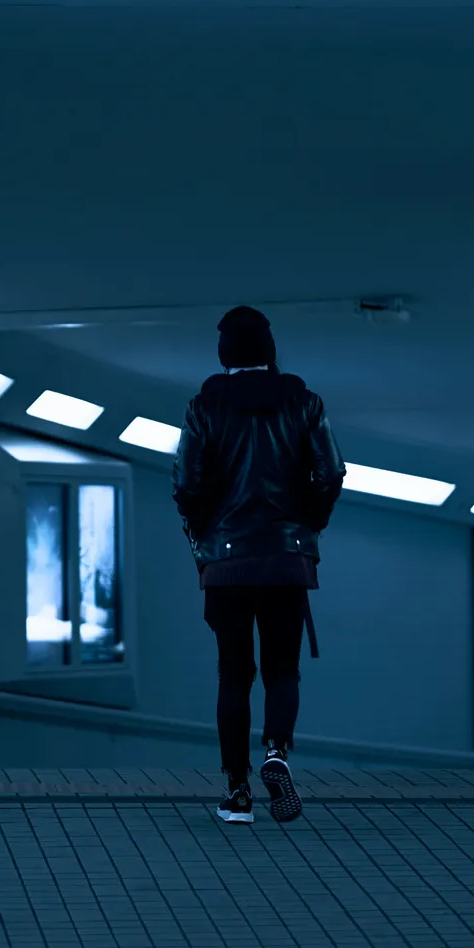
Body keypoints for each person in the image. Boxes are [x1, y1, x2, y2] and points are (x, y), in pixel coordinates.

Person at [174, 305, 345, 824]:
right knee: (282, 669)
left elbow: (187, 484)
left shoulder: (204, 408)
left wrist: (205, 528)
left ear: (224, 353)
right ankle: (276, 753)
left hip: (225, 566)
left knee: (234, 674)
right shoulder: (305, 403)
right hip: (286, 560)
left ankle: (237, 794)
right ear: (270, 350)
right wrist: (307, 524)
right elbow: (330, 472)